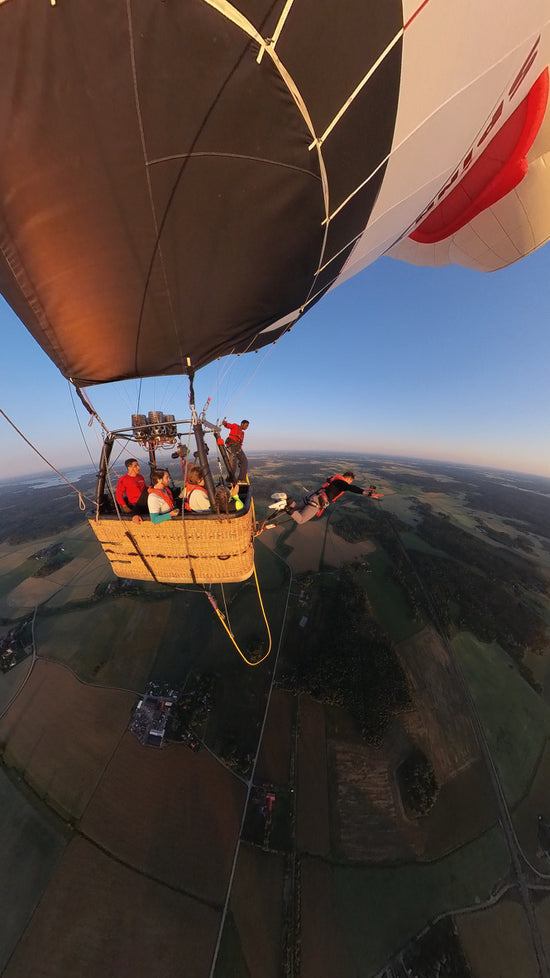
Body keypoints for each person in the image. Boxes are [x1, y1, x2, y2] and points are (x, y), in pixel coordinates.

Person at [270, 471, 379, 524]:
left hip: (313, 496)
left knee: (296, 508)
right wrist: (367, 493)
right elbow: (352, 488)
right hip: (317, 501)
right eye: (350, 481)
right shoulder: (342, 483)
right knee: (301, 519)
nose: (349, 483)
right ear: (349, 479)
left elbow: (329, 480)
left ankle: (286, 499)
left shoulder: (334, 479)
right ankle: (285, 506)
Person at [222, 417, 249, 483]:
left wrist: (239, 451)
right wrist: (225, 424)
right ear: (242, 424)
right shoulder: (235, 426)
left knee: (244, 461)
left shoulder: (242, 433)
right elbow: (229, 425)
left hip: (238, 447)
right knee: (233, 462)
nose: (247, 427)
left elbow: (240, 443)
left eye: (247, 426)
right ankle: (230, 479)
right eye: (246, 425)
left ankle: (241, 479)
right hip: (231, 445)